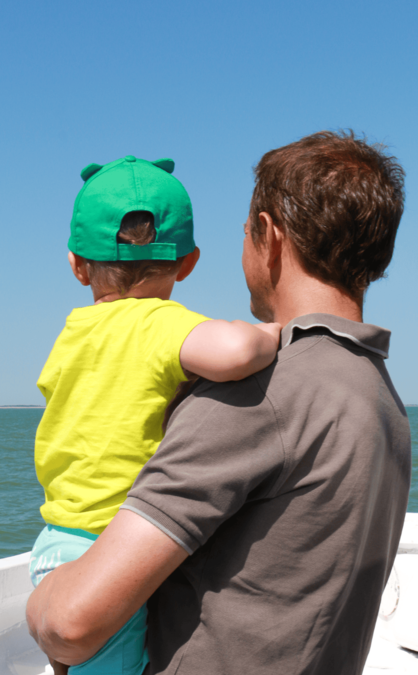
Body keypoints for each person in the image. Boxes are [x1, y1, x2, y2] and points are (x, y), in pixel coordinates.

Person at [27, 132, 412, 675]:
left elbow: (72, 624)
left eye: (245, 233)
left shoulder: (265, 392)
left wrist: (40, 601)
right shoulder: (380, 395)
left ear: (269, 236)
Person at [31, 155, 281, 675]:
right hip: (111, 553)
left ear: (76, 264)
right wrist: (276, 331)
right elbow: (235, 351)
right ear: (187, 263)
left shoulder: (73, 333)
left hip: (56, 542)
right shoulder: (158, 322)